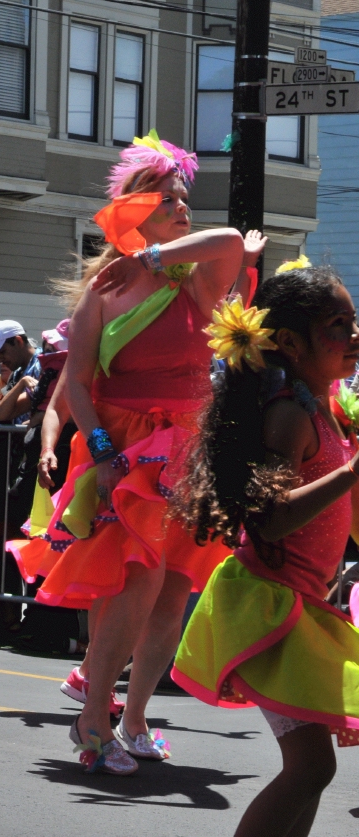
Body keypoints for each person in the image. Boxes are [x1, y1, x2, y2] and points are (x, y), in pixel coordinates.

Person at [29, 132, 265, 775]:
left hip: (189, 448)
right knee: (139, 579)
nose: (184, 207)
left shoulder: (190, 284)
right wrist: (102, 451)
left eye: (184, 198)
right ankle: (93, 715)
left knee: (174, 590)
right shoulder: (100, 296)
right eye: (167, 200)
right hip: (128, 448)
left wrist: (157, 255)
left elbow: (228, 244)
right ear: (134, 210)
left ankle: (134, 719)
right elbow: (74, 383)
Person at [173, 265, 359, 837]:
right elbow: (271, 521)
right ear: (290, 343)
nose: (354, 336)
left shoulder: (329, 412)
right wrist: (354, 469)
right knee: (310, 768)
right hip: (264, 609)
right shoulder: (289, 415)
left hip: (301, 608)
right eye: (338, 325)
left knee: (313, 769)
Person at [0, 320, 41, 425]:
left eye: (2, 352)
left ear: (18, 341)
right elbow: (2, 414)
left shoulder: (43, 365)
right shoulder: (16, 373)